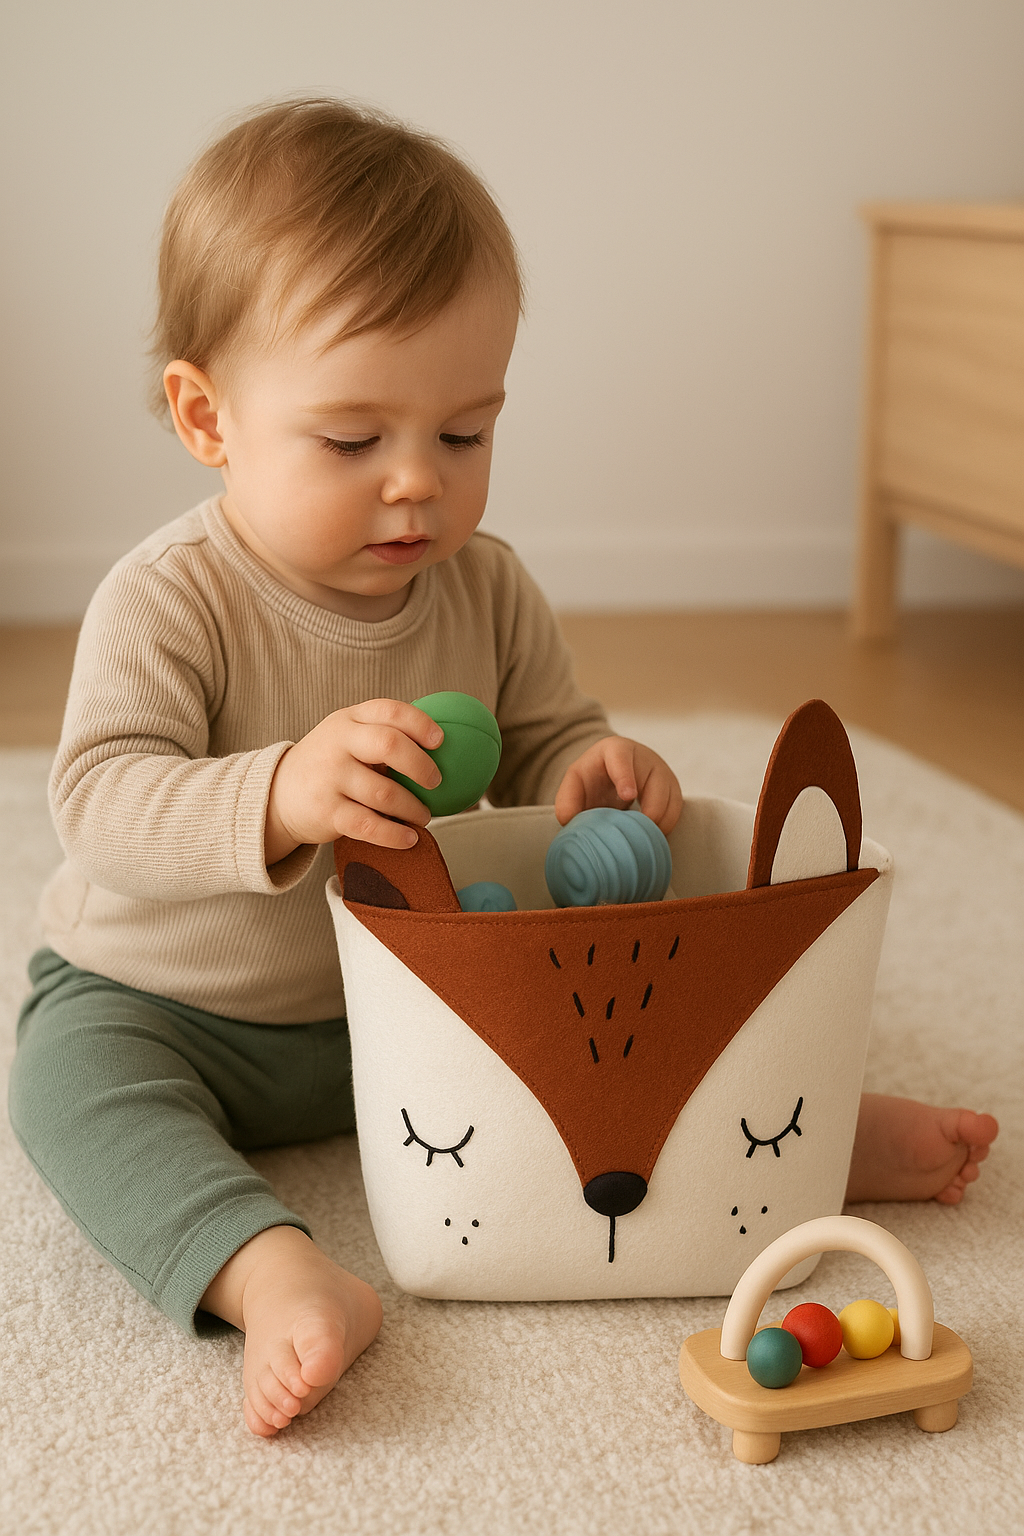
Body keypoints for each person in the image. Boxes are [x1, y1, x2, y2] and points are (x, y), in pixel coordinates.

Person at [8, 98, 997, 1439]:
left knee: (597, 989)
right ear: (207, 417)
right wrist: (283, 789)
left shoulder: (488, 589)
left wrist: (593, 766)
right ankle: (272, 1270)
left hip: (419, 1001)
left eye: (464, 435)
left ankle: (800, 1136)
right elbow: (100, 799)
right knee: (65, 1089)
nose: (418, 483)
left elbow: (544, 738)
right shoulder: (173, 600)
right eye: (354, 442)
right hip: (179, 1003)